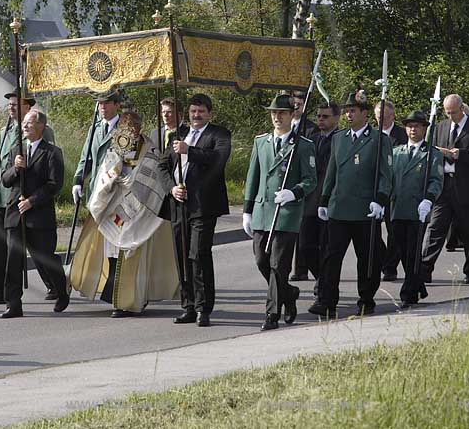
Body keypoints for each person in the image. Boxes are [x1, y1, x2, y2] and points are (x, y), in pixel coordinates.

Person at [69, 107, 178, 317]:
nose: (127, 132)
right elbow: (104, 173)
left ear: (138, 129)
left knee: (133, 256)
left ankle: (132, 300)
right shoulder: (116, 147)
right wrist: (110, 180)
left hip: (139, 211)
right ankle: (116, 296)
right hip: (114, 209)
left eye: (131, 128)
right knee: (113, 255)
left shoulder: (151, 151)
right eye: (123, 128)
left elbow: (153, 178)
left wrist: (130, 182)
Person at [308, 90, 392, 318]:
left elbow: (385, 173)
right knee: (330, 257)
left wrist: (380, 200)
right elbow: (331, 173)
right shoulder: (338, 138)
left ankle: (366, 298)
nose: (348, 115)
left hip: (365, 208)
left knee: (368, 258)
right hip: (339, 207)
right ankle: (327, 301)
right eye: (346, 111)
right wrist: (324, 200)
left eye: (353, 110)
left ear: (364, 113)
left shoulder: (379, 139)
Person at [242, 93, 317, 330]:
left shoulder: (303, 145)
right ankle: (289, 293)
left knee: (278, 264)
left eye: (282, 113)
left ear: (292, 115)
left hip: (286, 213)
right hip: (262, 211)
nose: (277, 117)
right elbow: (253, 177)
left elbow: (311, 180)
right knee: (260, 259)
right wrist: (246, 210)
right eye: (274, 113)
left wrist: (293, 192)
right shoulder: (260, 142)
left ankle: (272, 314)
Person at [0, 92, 56, 306]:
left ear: (28, 107)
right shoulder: (5, 131)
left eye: (16, 104)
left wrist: (34, 197)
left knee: (36, 247)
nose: (11, 107)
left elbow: (43, 164)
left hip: (25, 197)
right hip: (2, 197)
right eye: (9, 104)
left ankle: (55, 284)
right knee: (1, 245)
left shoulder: (41, 131)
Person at [161, 93, 231, 327]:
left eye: (201, 111)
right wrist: (171, 188)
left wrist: (189, 150)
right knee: (182, 256)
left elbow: (218, 159)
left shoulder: (219, 134)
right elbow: (163, 166)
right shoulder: (178, 134)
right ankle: (188, 305)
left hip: (203, 205)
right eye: (193, 111)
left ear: (209, 113)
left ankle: (204, 308)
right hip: (179, 204)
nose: (196, 115)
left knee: (198, 254)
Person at [0, 109, 69, 318]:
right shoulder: (15, 151)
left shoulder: (52, 152)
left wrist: (32, 201)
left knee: (45, 257)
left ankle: (61, 290)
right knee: (13, 259)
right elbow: (5, 179)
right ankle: (13, 303)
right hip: (15, 213)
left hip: (39, 215)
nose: (25, 126)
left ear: (41, 126)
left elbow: (54, 184)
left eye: (30, 122)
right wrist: (16, 169)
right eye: (24, 123)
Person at [419, 94, 469, 284]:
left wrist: (463, 155)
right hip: (444, 185)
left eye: (454, 112)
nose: (451, 116)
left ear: (462, 108)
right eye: (447, 112)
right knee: (435, 228)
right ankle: (425, 268)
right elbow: (431, 150)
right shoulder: (440, 127)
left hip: (466, 185)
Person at [388, 110, 443, 307]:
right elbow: (388, 179)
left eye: (417, 126)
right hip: (397, 209)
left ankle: (408, 294)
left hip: (417, 210)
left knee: (412, 252)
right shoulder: (397, 153)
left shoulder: (432, 154)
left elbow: (436, 181)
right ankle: (418, 285)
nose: (412, 129)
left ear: (424, 128)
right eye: (410, 126)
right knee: (402, 252)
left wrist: (428, 199)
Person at [293, 102, 340, 282]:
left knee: (326, 246)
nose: (321, 119)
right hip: (310, 200)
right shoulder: (312, 139)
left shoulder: (340, 139)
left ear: (336, 118)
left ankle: (325, 283)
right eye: (319, 116)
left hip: (330, 198)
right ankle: (322, 278)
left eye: (325, 116)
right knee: (305, 246)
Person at [72, 91, 123, 210]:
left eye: (107, 103)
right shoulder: (95, 128)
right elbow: (86, 158)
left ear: (117, 105)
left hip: (115, 192)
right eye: (100, 103)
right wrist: (77, 180)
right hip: (95, 190)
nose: (103, 107)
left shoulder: (124, 129)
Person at [376, 101, 408, 281]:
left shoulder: (402, 135)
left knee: (393, 230)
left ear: (392, 116)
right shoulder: (372, 136)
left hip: (395, 189)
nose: (381, 119)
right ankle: (383, 260)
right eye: (378, 116)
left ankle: (390, 267)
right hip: (374, 189)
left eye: (385, 116)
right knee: (372, 230)